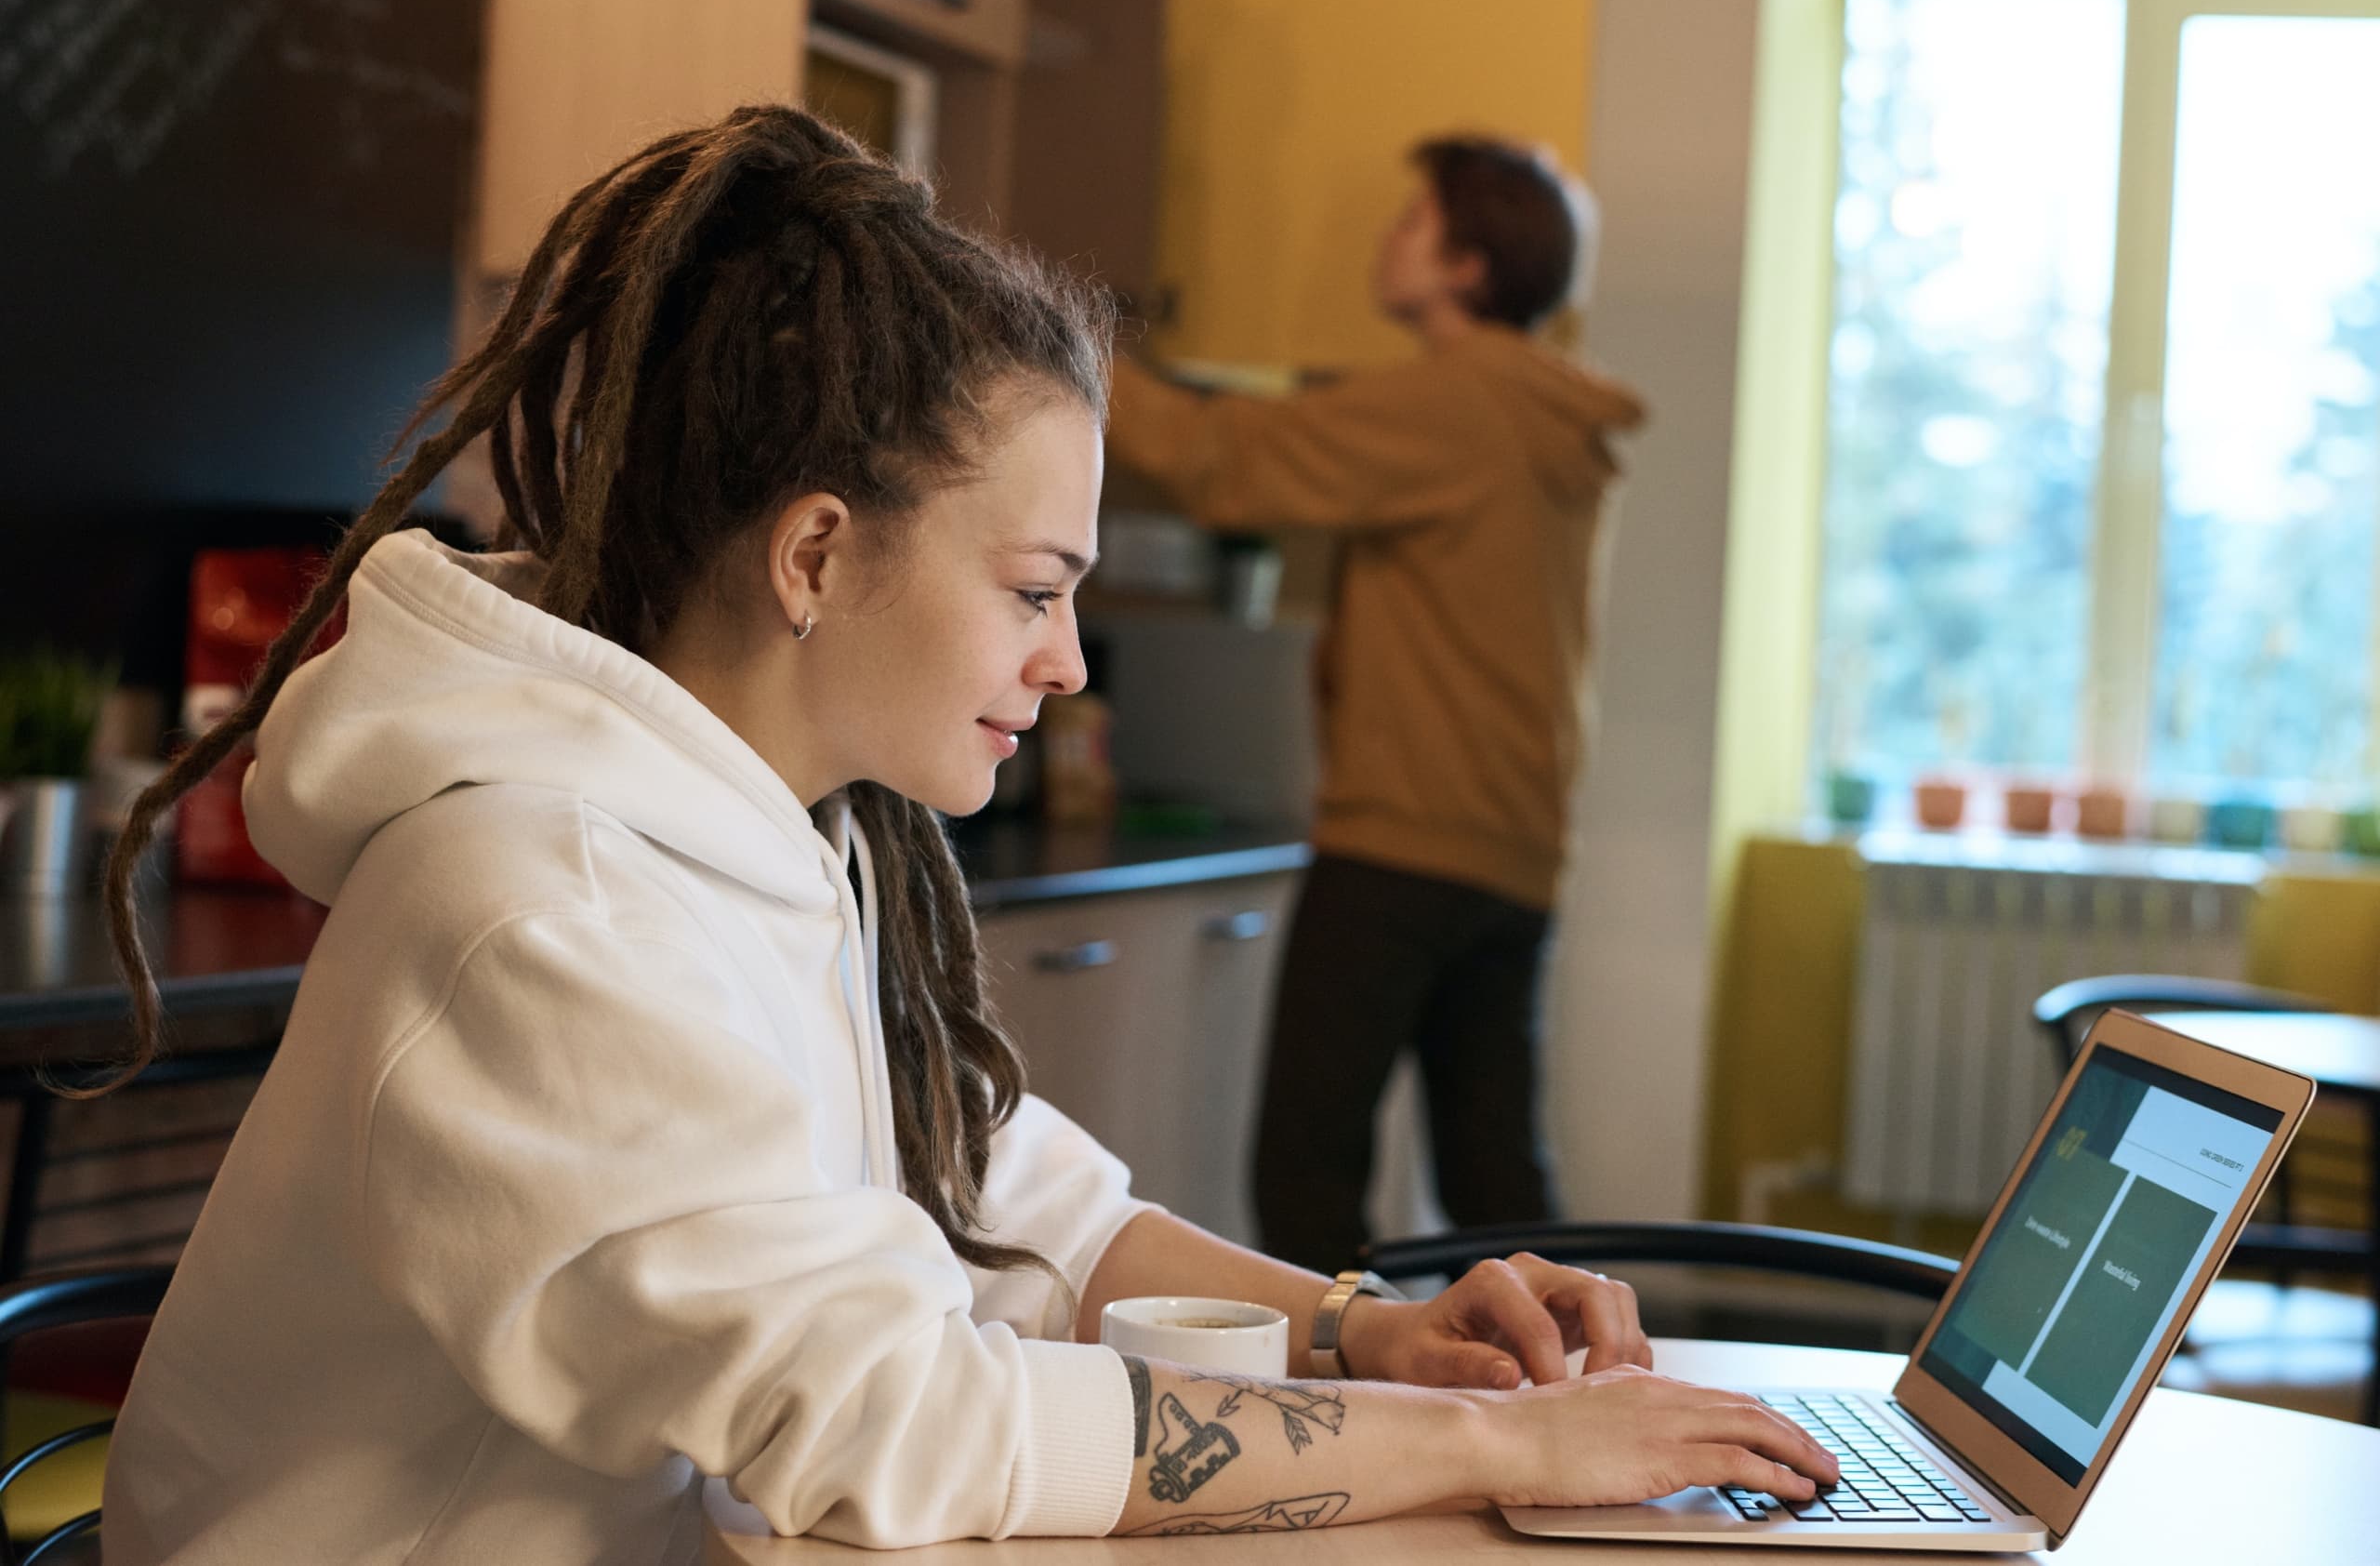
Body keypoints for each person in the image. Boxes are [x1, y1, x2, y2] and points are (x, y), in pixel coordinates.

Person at [95, 108, 1823, 1562]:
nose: (1066, 660)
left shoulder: (781, 836)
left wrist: (1365, 1324)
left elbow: (1002, 1191)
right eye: (1031, 591)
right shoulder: (547, 906)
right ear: (818, 554)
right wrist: (1501, 1452)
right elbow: (904, 1427)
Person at [1104, 136, 1648, 1274]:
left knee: (1304, 1169)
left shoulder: (1459, 399)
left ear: (1464, 264)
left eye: (1412, 221)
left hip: (1401, 840)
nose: (1385, 237)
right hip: (1514, 846)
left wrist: (1053, 344)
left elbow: (1227, 462)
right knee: (1495, 1178)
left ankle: (1342, 1418)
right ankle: (1576, 1398)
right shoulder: (1545, 412)